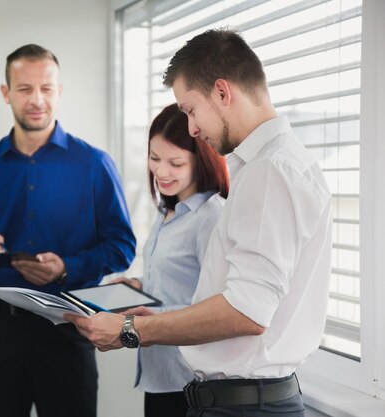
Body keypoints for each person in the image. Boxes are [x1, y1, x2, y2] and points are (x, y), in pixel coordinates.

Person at [66, 28, 332, 417]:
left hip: (243, 406)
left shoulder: (269, 171)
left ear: (223, 92)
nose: (191, 128)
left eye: (190, 109)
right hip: (244, 401)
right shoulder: (279, 163)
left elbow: (247, 311)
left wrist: (131, 331)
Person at [0, 44, 136, 417]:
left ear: (59, 92)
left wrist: (66, 267)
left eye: (46, 89)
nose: (37, 100)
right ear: (6, 93)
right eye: (25, 88)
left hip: (69, 326)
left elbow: (122, 246)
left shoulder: (94, 164)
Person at [112, 103, 229, 417]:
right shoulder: (169, 211)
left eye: (175, 162)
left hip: (191, 382)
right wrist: (135, 286)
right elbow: (179, 281)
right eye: (154, 158)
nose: (161, 172)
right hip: (160, 373)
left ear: (201, 160)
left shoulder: (211, 216)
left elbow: (221, 304)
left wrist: (153, 316)